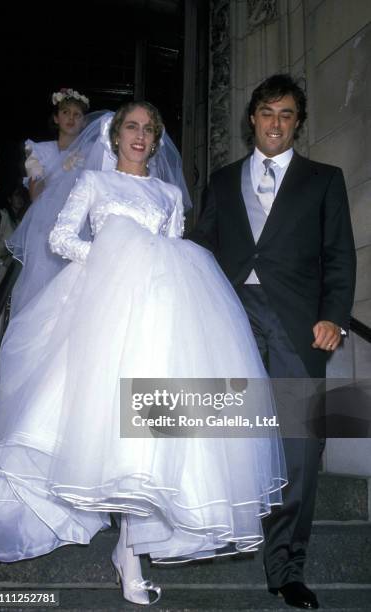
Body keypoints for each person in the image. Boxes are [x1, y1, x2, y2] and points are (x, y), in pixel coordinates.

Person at [0, 101, 287, 605]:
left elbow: (168, 249)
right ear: (115, 136)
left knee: (150, 430)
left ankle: (130, 551)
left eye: (150, 130)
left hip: (158, 318)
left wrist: (147, 261)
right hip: (98, 312)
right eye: (132, 127)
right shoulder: (94, 184)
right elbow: (62, 237)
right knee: (98, 421)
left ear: (156, 141)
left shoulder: (170, 194)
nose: (141, 136)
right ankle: (122, 550)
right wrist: (111, 255)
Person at [190, 74, 356, 610]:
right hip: (232, 320)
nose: (275, 123)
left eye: (286, 114)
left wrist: (334, 316)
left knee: (301, 450)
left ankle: (286, 567)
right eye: (266, 112)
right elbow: (201, 254)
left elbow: (339, 255)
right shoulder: (220, 181)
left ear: (298, 122)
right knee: (228, 437)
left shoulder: (324, 180)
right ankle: (222, 537)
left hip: (296, 324)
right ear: (252, 119)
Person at [6, 88, 107, 316]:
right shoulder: (40, 151)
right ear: (56, 117)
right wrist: (61, 169)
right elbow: (35, 194)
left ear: (84, 121)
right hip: (44, 231)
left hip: (79, 229)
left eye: (77, 115)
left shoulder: (91, 152)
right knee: (40, 294)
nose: (71, 118)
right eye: (65, 112)